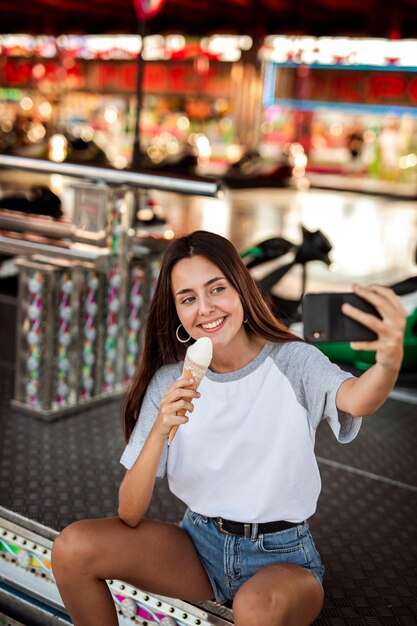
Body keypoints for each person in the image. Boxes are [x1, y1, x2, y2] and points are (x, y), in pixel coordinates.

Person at [51, 230, 406, 626]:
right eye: (188, 298)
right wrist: (158, 430)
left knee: (253, 609)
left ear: (241, 289)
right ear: (178, 313)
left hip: (282, 557)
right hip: (198, 544)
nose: (205, 308)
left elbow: (357, 398)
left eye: (216, 289)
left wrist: (388, 362)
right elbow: (129, 512)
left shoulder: (293, 361)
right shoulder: (171, 381)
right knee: (72, 547)